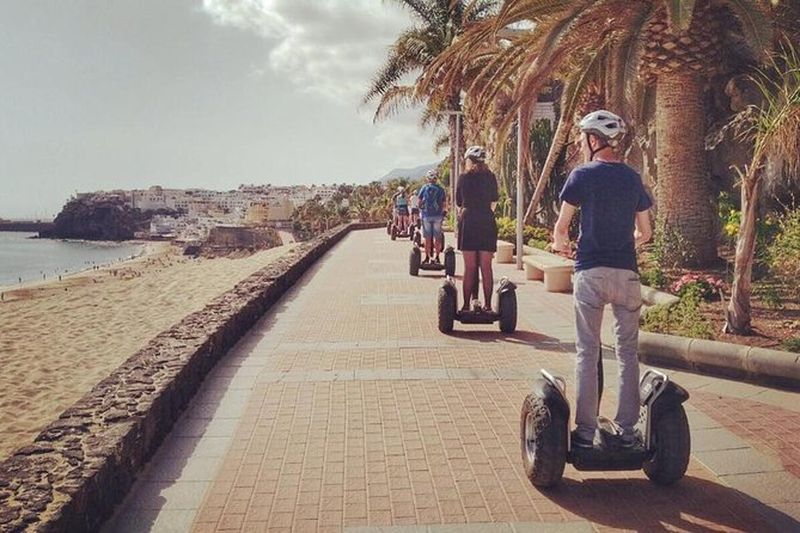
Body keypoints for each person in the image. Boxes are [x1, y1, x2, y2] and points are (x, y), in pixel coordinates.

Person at [552, 110, 653, 449]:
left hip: (591, 272)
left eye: (582, 139)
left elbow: (562, 228)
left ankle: (584, 431)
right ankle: (626, 431)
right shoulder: (632, 178)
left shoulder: (582, 175)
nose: (581, 144)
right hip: (626, 274)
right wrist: (625, 243)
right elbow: (646, 232)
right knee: (627, 352)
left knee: (588, 350)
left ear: (594, 140)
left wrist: (562, 246)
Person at [456, 145, 498, 312]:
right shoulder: (491, 177)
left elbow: (459, 202)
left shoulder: (463, 178)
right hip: (487, 220)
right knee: (486, 266)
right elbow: (494, 200)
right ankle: (487, 306)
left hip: (469, 221)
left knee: (470, 267)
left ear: (469, 160)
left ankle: (466, 306)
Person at [417, 169, 447, 264]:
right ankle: (437, 257)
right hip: (438, 216)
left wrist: (421, 208)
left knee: (427, 238)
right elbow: (444, 203)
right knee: (437, 237)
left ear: (428, 178)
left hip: (426, 215)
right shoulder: (441, 189)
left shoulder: (424, 188)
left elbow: (419, 202)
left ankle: (427, 257)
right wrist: (443, 212)